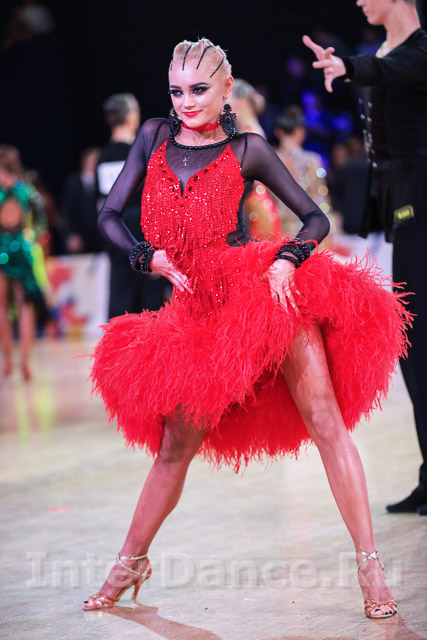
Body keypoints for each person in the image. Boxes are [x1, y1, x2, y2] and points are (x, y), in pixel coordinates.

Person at [84, 38, 410, 618]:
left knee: (326, 422)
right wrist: (145, 255)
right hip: (196, 316)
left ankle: (371, 566)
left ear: (226, 89)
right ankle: (129, 563)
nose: (186, 101)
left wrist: (287, 258)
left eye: (199, 89)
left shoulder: (247, 149)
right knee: (174, 450)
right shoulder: (153, 137)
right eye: (176, 91)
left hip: (264, 294)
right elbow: (107, 214)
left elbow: (314, 218)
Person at [303, 0, 427, 516]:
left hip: (421, 203)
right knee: (413, 348)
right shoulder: (387, 49)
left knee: (419, 341)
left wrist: (348, 66)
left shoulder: (417, 49)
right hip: (403, 207)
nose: (358, 1)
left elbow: (396, 70)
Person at [96, 93, 166, 317]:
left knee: (121, 308)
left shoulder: (102, 157)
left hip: (116, 239)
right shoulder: (138, 153)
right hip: (143, 238)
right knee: (150, 310)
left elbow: (100, 205)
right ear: (131, 117)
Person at [0, 145, 47, 379]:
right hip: (18, 247)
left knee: (12, 306)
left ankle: (14, 359)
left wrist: (33, 235)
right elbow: (41, 219)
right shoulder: (25, 189)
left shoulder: (23, 190)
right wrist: (33, 236)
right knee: (22, 306)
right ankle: (19, 360)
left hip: (7, 247)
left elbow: (41, 219)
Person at [229, 78, 282, 238]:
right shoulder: (249, 130)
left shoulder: (251, 133)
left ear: (240, 102)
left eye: (228, 101)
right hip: (254, 205)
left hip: (257, 209)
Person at [274, 105, 331, 237]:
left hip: (275, 231)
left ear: (278, 131)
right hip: (306, 232)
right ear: (301, 132)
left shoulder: (268, 159)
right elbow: (321, 200)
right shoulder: (312, 160)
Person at [61, 147, 101, 254]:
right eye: (92, 160)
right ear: (84, 162)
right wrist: (71, 234)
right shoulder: (73, 183)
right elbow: (67, 212)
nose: (95, 164)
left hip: (99, 238)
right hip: (80, 237)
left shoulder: (102, 183)